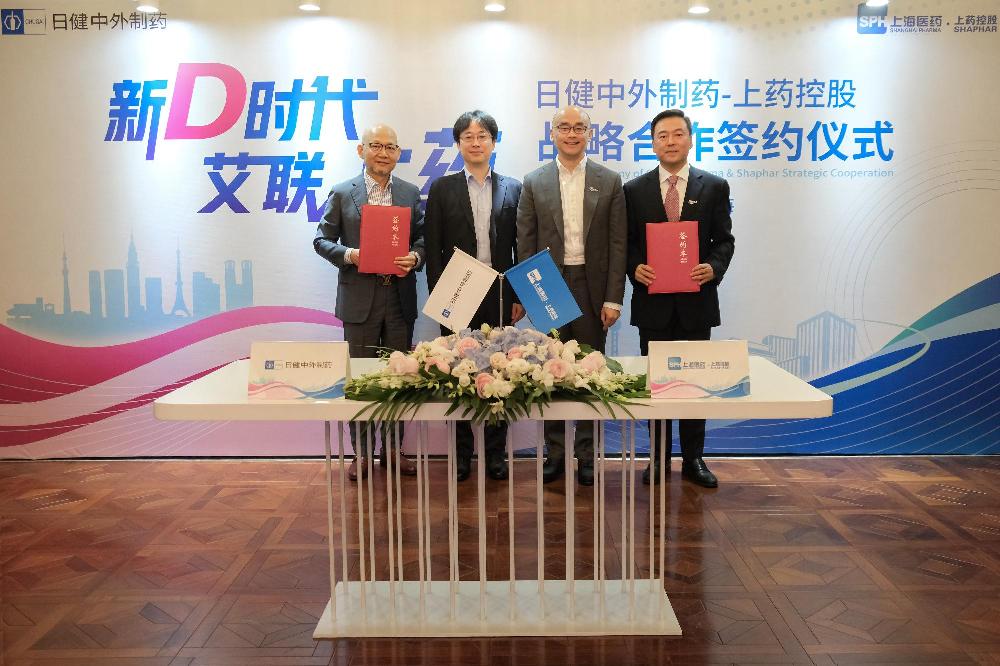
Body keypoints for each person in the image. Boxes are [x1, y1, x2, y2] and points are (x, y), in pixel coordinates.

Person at [624, 109, 735, 488]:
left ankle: (693, 458)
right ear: (653, 143)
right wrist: (634, 267)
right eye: (662, 136)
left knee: (693, 385)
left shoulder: (714, 186)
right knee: (657, 385)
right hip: (653, 304)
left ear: (690, 140)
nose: (670, 142)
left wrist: (713, 267)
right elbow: (627, 243)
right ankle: (656, 458)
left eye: (677, 134)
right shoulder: (634, 190)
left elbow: (724, 240)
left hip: (695, 304)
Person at [516, 105, 626, 487]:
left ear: (589, 134)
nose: (572, 133)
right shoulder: (534, 181)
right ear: (553, 134)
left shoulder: (609, 181)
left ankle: (587, 455)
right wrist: (529, 294)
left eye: (579, 127)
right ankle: (556, 453)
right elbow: (525, 242)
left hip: (592, 286)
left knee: (590, 371)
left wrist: (613, 298)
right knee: (551, 370)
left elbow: (618, 243)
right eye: (564, 127)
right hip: (549, 283)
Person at [313, 124, 425, 481]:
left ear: (398, 153)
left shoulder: (410, 192)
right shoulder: (342, 192)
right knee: (361, 378)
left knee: (399, 375)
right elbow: (321, 240)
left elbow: (423, 239)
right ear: (361, 150)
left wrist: (415, 257)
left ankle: (393, 450)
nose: (383, 153)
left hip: (398, 298)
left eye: (390, 147)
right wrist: (351, 255)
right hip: (359, 298)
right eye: (376, 145)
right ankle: (361, 453)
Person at [425, 110, 524, 482]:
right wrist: (440, 295)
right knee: (457, 369)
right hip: (457, 291)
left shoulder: (513, 188)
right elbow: (433, 245)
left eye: (483, 135)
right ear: (458, 144)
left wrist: (518, 295)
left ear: (493, 142)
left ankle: (496, 454)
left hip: (499, 290)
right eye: (468, 136)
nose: (476, 142)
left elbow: (520, 247)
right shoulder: (442, 188)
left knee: (500, 367)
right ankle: (462, 455)